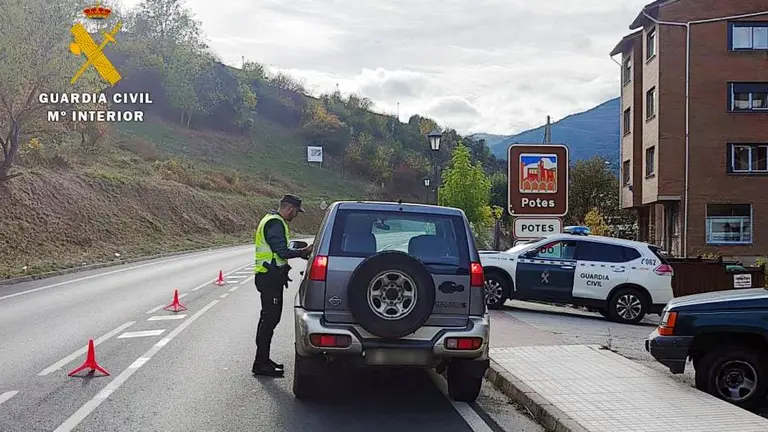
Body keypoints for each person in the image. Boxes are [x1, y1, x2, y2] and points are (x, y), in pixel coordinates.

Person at [251, 194, 313, 377]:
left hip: (269, 277)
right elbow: (282, 251)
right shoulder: (275, 223)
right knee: (269, 320)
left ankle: (263, 359)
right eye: (296, 212)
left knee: (269, 319)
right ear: (290, 209)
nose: (296, 216)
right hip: (268, 278)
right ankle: (260, 363)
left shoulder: (271, 220)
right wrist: (304, 251)